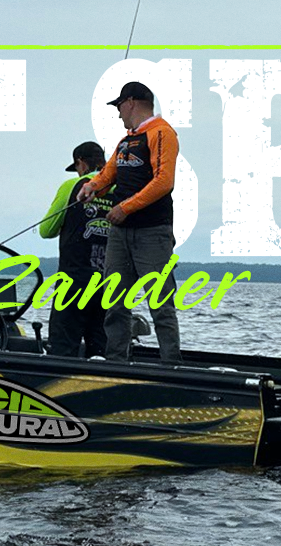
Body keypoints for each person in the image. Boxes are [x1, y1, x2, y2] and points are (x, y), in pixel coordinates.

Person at [76, 81, 182, 363]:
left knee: (160, 304)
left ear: (131, 102)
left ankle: (171, 365)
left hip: (152, 233)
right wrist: (92, 186)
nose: (118, 112)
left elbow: (164, 181)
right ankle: (116, 363)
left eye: (119, 106)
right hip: (120, 234)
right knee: (114, 302)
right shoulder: (126, 141)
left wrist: (125, 207)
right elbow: (108, 173)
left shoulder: (162, 133)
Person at [38, 142, 112, 357]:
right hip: (110, 283)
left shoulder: (72, 186)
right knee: (102, 349)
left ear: (80, 162)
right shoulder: (121, 188)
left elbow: (46, 230)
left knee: (63, 348)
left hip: (74, 280)